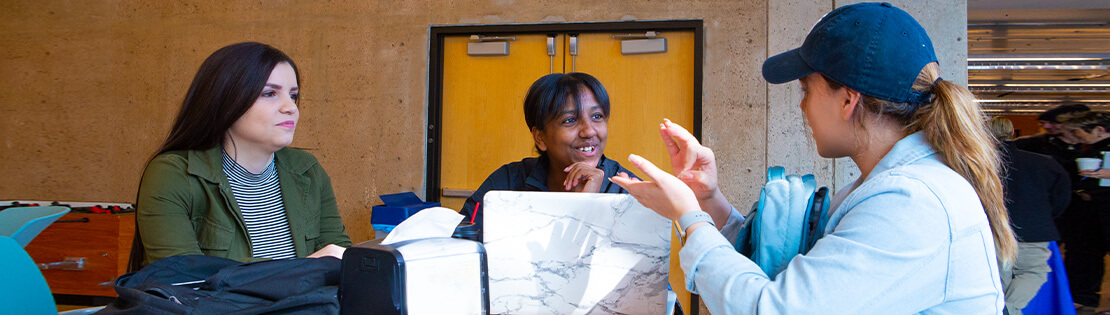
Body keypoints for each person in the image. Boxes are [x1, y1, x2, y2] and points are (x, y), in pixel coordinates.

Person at [610, 3, 1015, 313]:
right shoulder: (886, 187)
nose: (802, 108)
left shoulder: (911, 203)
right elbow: (789, 278)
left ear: (847, 100)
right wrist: (708, 201)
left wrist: (688, 217)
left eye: (807, 89)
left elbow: (773, 307)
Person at [134, 42, 351, 267]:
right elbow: (184, 279)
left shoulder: (307, 169)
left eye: (293, 96)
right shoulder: (173, 174)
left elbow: (340, 260)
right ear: (226, 99)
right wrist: (300, 270)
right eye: (269, 93)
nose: (291, 108)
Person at [460, 72, 636, 232]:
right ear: (540, 138)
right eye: (570, 120)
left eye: (597, 116)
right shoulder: (506, 184)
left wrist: (588, 205)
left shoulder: (626, 191)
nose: (589, 131)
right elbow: (463, 244)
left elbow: (642, 264)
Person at [989, 116, 1071, 315]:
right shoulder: (1043, 162)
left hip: (993, 229)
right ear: (1011, 133)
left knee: (998, 275)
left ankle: (1002, 309)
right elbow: (1062, 195)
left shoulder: (978, 162)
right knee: (1033, 271)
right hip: (1034, 231)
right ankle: (1009, 308)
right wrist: (1045, 215)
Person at [1054, 111, 1110, 313]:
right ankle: (1082, 297)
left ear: (1099, 130)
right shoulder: (1082, 149)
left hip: (1104, 208)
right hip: (1085, 213)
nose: (1075, 137)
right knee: (1083, 255)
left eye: (1078, 132)